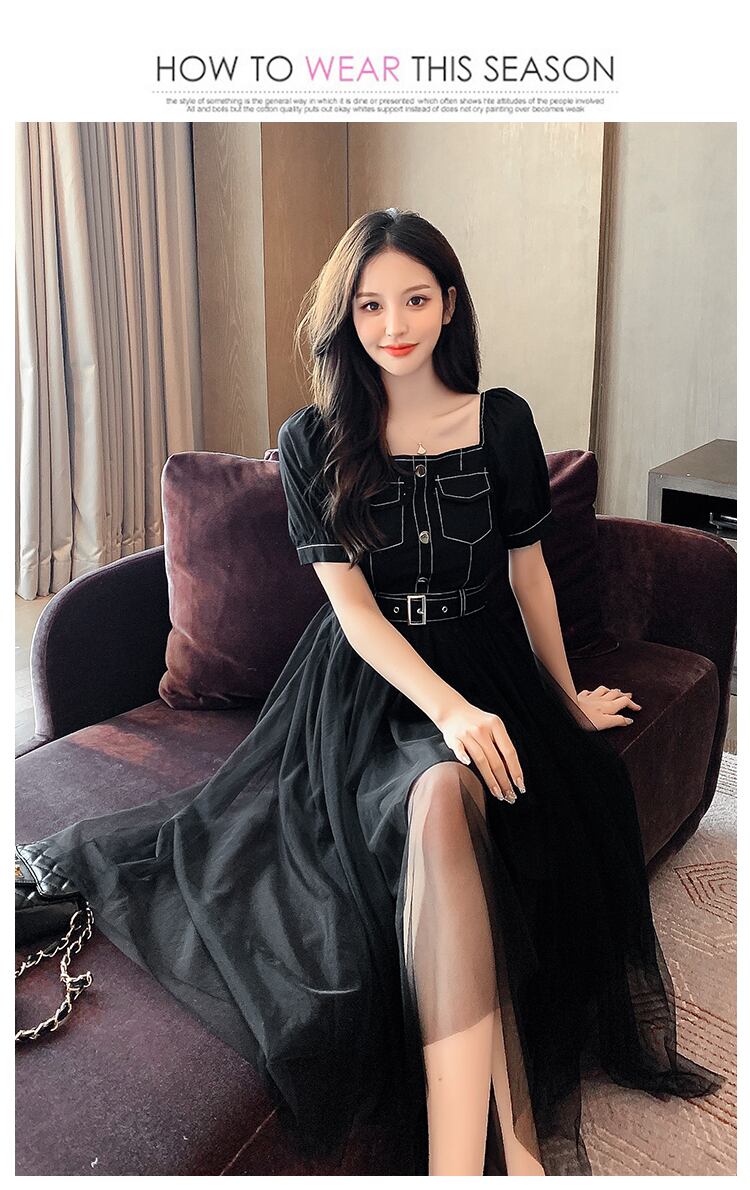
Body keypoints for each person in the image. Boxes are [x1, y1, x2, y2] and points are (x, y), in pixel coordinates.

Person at [23, 207, 724, 1176]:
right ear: (346, 317)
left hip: (489, 662)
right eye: (370, 305)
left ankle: (496, 1150)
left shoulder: (503, 420)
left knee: (520, 808)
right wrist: (449, 711)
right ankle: (476, 1160)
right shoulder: (314, 438)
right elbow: (352, 612)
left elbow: (528, 576)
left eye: (415, 300)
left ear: (450, 306)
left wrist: (564, 699)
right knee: (435, 792)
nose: (394, 324)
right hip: (366, 689)